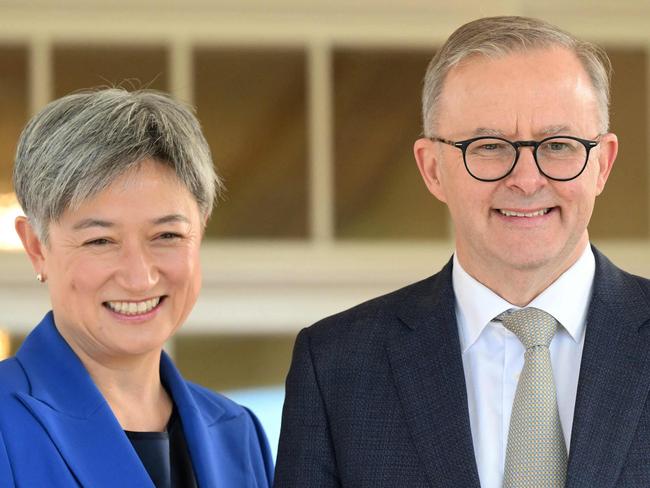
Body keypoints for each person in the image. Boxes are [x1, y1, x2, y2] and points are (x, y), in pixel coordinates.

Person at [275, 16, 650, 488]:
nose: (527, 180)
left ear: (602, 163)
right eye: (489, 146)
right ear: (432, 169)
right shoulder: (336, 368)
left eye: (558, 144)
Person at [0, 89, 274, 487]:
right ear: (37, 247)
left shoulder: (237, 434)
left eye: (166, 235)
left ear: (201, 230)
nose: (139, 277)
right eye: (100, 241)